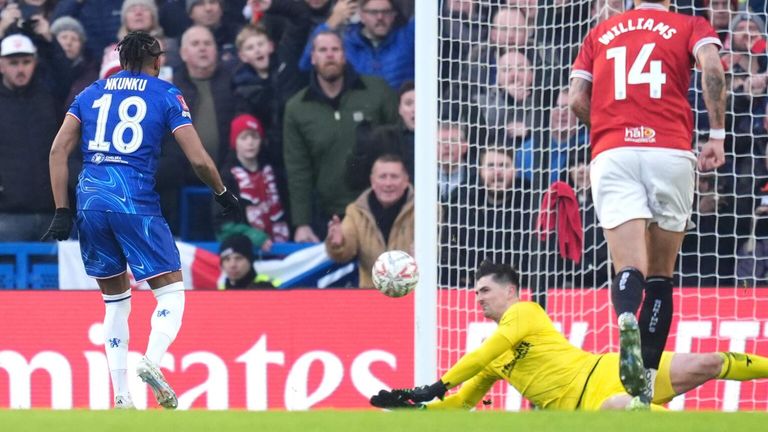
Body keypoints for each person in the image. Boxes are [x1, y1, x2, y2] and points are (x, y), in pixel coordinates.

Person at [42, 31, 240, 409]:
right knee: (171, 294)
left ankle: (120, 398)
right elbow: (197, 159)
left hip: (90, 202)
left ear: (120, 60)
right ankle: (152, 360)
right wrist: (221, 193)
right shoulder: (166, 94)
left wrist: (62, 210)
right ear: (156, 61)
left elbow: (57, 150)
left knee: (115, 302)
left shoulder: (90, 92)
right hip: (134, 201)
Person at [568, 0, 727, 405]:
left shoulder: (600, 32)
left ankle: (625, 315)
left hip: (613, 152)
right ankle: (647, 384)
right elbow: (712, 67)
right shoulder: (690, 24)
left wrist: (607, 130)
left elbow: (575, 99)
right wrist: (717, 135)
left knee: (629, 266)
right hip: (669, 151)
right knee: (660, 274)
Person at [370, 261, 768, 411]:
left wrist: (435, 384)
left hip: (608, 367)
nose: (478, 300)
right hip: (587, 404)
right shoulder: (490, 361)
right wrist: (419, 407)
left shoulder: (525, 313)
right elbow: (460, 405)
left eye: (485, 291)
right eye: (475, 293)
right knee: (631, 412)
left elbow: (490, 348)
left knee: (709, 363)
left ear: (511, 291)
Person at [283, 29, 398, 242]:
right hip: (329, 214)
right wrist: (302, 223)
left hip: (382, 207)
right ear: (313, 57)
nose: (329, 55)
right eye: (323, 50)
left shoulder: (377, 91)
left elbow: (400, 144)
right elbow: (298, 170)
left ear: (344, 55)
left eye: (335, 49)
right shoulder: (297, 108)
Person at [0, 33, 60, 241]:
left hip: (50, 212)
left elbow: (68, 72)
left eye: (26, 62)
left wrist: (46, 40)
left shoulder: (49, 97)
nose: (20, 69)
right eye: (13, 63)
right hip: (8, 214)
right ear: (1, 65)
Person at [325, 153, 413, 287]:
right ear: (372, 181)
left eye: (394, 177)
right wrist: (338, 244)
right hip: (370, 295)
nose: (388, 183)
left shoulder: (428, 210)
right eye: (382, 177)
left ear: (406, 180)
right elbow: (344, 254)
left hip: (415, 294)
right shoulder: (355, 211)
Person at [217, 113, 290, 249]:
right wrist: (254, 236)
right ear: (234, 141)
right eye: (244, 137)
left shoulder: (275, 172)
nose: (250, 142)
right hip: (246, 250)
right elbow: (223, 225)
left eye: (254, 136)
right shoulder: (225, 178)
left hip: (282, 246)